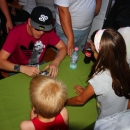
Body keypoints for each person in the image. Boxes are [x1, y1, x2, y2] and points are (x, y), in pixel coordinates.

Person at [65, 29, 130, 129]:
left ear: (100, 54)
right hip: (123, 115)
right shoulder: (124, 66)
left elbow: (80, 100)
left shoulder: (101, 78)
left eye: (93, 49)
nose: (92, 52)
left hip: (108, 123)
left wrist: (62, 102)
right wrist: (90, 91)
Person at [0, 6, 67, 78]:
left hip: (37, 64)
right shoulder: (16, 33)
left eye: (44, 29)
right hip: (17, 67)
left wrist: (55, 62)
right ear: (29, 22)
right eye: (37, 28)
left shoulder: (48, 32)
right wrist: (22, 69)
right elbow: (1, 62)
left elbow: (63, 47)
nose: (41, 33)